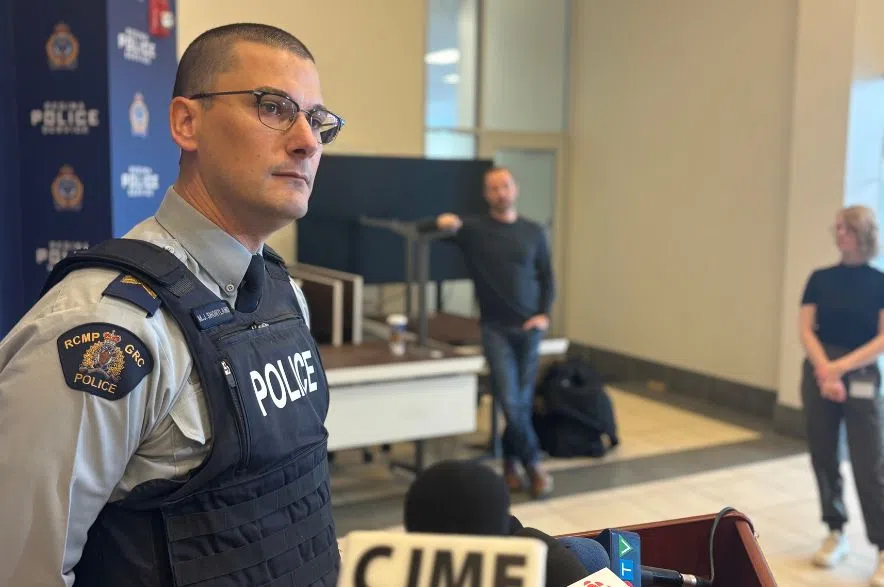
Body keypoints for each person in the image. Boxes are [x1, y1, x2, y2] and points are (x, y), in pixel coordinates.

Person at [0, 23, 345, 587]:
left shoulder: (285, 297)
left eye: (318, 120)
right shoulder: (107, 326)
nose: (308, 141)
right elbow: (20, 569)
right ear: (187, 122)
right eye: (273, 108)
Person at [423, 166, 556, 499]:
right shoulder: (474, 230)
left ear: (515, 189)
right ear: (486, 194)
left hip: (529, 329)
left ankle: (510, 465)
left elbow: (547, 276)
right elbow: (422, 231)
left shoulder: (533, 231)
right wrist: (440, 221)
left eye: (505, 186)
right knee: (510, 400)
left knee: (519, 403)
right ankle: (534, 465)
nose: (501, 193)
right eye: (494, 188)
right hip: (495, 329)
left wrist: (544, 315)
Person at [799, 205, 884, 585]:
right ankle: (835, 530)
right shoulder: (820, 278)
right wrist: (825, 369)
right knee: (824, 454)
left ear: (863, 233)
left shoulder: (879, 282)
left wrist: (839, 368)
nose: (839, 234)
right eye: (836, 228)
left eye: (846, 228)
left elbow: (882, 338)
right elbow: (806, 329)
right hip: (820, 372)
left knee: (870, 462)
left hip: (860, 373)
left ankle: (882, 545)